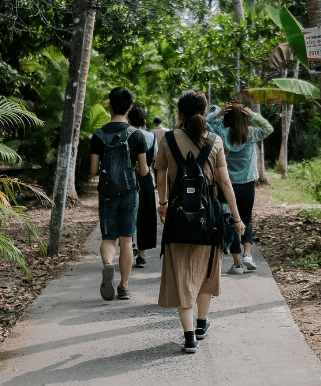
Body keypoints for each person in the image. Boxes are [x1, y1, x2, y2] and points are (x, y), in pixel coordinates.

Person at [154, 90, 245, 354]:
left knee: (182, 274)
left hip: (177, 217)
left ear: (179, 113)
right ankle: (202, 324)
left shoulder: (168, 140)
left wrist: (162, 205)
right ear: (205, 113)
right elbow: (226, 182)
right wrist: (237, 219)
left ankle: (189, 336)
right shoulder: (215, 141)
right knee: (207, 271)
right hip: (210, 218)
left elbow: (160, 179)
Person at [89, 87, 150, 301]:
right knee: (126, 240)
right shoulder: (137, 136)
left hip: (106, 193)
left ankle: (108, 265)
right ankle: (124, 287)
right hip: (129, 192)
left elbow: (93, 170)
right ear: (129, 108)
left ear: (109, 105)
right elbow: (143, 171)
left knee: (108, 238)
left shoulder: (98, 136)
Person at [206, 101, 274, 275]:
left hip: (226, 185)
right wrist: (253, 116)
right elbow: (268, 128)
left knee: (232, 220)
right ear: (244, 117)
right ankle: (248, 255)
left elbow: (205, 123)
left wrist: (217, 114)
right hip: (247, 185)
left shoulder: (220, 133)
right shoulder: (250, 133)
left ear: (227, 117)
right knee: (247, 218)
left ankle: (236, 265)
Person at [127, 106, 156, 268]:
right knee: (146, 215)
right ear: (144, 121)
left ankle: (130, 245)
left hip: (128, 178)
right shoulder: (150, 136)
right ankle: (142, 256)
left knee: (129, 214)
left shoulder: (126, 135)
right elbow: (154, 157)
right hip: (145, 179)